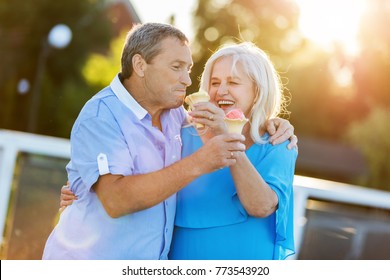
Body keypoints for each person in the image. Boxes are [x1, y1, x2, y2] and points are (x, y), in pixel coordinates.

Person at [50, 23, 296, 260]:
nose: (188, 81)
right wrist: (84, 187)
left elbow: (261, 201)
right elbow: (114, 198)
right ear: (140, 65)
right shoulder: (103, 116)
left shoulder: (175, 116)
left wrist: (275, 123)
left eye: (188, 69)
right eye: (176, 67)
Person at [168, 42, 298, 260]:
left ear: (258, 91)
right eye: (215, 82)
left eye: (233, 82)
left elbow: (262, 206)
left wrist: (224, 134)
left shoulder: (278, 143)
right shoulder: (182, 134)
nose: (221, 91)